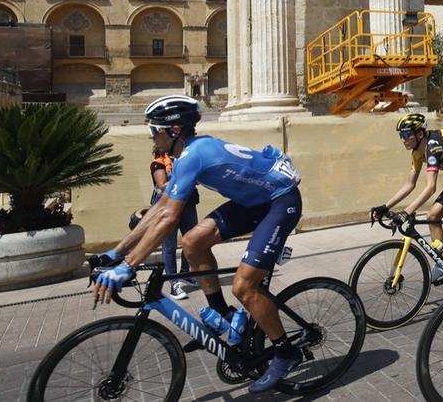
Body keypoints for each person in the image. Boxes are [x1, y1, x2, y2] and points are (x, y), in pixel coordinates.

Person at [92, 95, 306, 393]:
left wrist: (128, 267)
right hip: (252, 203)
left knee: (244, 287)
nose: (151, 136)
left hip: (279, 203)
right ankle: (225, 315)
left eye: (155, 130)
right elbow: (159, 206)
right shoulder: (184, 155)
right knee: (192, 241)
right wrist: (114, 253)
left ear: (175, 130)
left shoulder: (195, 154)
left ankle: (285, 352)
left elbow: (168, 218)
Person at [372, 113, 443, 280]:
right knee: (432, 215)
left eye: (406, 134)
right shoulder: (416, 152)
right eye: (401, 135)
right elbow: (409, 184)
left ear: (420, 134)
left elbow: (430, 188)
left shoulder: (433, 147)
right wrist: (386, 207)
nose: (403, 139)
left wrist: (406, 212)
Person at [148, 149, 199, 300]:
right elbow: (163, 184)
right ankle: (173, 283)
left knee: (190, 240)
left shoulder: (183, 160)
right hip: (168, 207)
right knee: (169, 246)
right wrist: (185, 179)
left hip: (188, 204)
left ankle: (185, 273)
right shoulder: (158, 164)